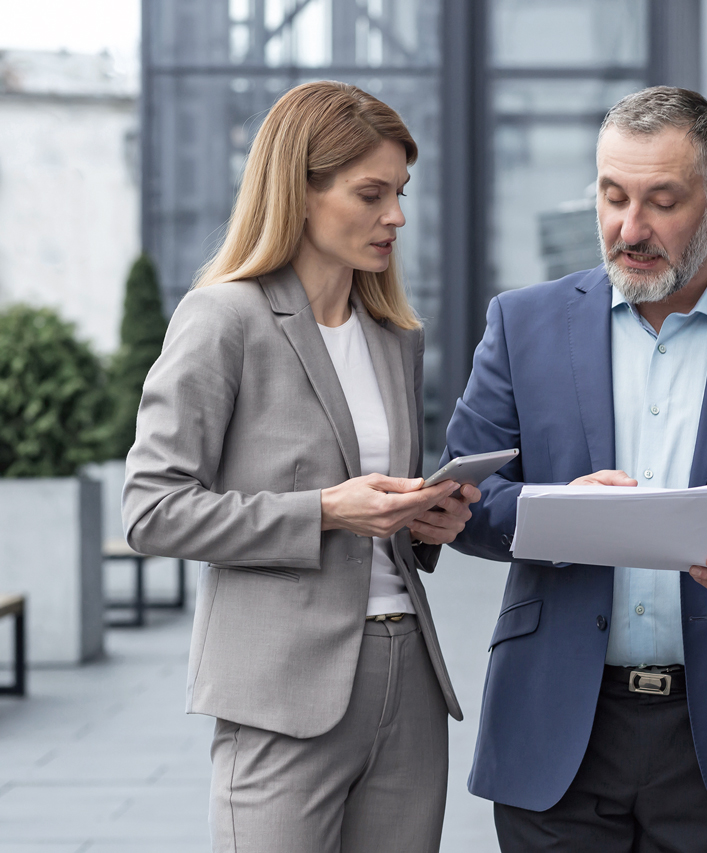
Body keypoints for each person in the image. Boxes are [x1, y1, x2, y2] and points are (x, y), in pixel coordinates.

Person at [443, 86, 707, 852]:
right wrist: (553, 508)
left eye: (661, 202)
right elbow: (460, 502)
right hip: (555, 725)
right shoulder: (521, 323)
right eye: (612, 197)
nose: (628, 229)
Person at [122, 81, 477, 853]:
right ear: (301, 191)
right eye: (371, 193)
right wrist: (323, 510)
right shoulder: (224, 318)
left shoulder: (394, 336)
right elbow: (151, 508)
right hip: (282, 692)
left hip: (406, 676)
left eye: (401, 193)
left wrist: (426, 524)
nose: (397, 216)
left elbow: (379, 518)